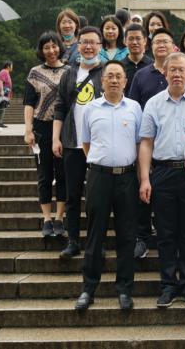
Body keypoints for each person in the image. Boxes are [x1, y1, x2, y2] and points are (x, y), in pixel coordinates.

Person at [138, 53, 185, 309]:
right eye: (173, 70)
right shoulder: (153, 104)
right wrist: (145, 179)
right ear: (165, 73)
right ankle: (168, 285)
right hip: (163, 173)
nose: (177, 74)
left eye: (182, 70)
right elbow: (146, 142)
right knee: (166, 233)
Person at [74, 60, 142, 311]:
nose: (114, 80)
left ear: (125, 81)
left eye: (118, 76)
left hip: (127, 177)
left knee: (127, 235)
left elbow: (139, 144)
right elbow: (86, 143)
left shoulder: (134, 108)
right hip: (99, 177)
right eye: (109, 76)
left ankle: (124, 289)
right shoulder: (90, 109)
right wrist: (101, 163)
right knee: (95, 234)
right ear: (102, 81)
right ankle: (88, 289)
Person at [127, 27, 185, 260]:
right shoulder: (141, 75)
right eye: (157, 41)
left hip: (180, 153)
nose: (161, 45)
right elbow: (134, 108)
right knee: (145, 191)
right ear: (150, 46)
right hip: (149, 144)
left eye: (166, 41)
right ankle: (143, 237)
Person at [52, 26, 104, 260]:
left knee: (97, 198)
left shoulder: (107, 72)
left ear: (100, 46)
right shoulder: (69, 74)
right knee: (72, 195)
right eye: (84, 42)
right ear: (78, 45)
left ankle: (96, 243)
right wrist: (56, 138)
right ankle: (73, 240)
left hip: (99, 145)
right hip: (72, 143)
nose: (88, 46)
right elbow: (60, 107)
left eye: (93, 42)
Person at [23, 32, 69, 237]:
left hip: (65, 129)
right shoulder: (35, 73)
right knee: (44, 175)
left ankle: (59, 218)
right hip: (41, 128)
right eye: (46, 47)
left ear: (60, 47)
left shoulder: (70, 71)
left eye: (54, 46)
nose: (51, 50)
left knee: (63, 174)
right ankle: (47, 219)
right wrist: (28, 129)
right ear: (41, 50)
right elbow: (29, 102)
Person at [120, 23, 152, 94]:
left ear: (145, 41)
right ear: (125, 41)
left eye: (138, 38)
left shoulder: (152, 65)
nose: (134, 42)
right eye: (131, 39)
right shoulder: (120, 66)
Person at [0, 61, 13, 128]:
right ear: (8, 66)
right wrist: (2, 90)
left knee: (2, 107)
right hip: (2, 92)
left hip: (5, 92)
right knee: (1, 107)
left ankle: (0, 122)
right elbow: (0, 81)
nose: (12, 67)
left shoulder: (6, 72)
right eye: (11, 65)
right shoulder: (4, 72)